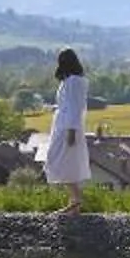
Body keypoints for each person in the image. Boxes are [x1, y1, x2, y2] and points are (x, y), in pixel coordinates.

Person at [44, 48, 91, 214]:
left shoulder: (74, 82)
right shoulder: (71, 81)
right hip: (64, 125)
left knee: (57, 160)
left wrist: (72, 130)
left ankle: (76, 199)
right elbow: (69, 105)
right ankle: (74, 203)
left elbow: (75, 108)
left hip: (68, 127)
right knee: (65, 162)